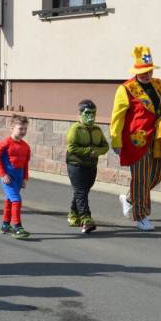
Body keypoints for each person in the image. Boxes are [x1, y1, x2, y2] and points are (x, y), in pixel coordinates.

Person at [110, 45, 161, 232]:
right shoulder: (126, 89)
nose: (147, 75)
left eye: (149, 71)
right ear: (136, 71)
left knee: (156, 175)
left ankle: (130, 198)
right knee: (141, 178)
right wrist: (116, 140)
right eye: (143, 72)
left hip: (157, 137)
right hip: (136, 140)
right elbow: (117, 117)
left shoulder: (158, 85)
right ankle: (141, 216)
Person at [65, 100, 109, 233]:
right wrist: (89, 151)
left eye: (93, 113)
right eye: (87, 113)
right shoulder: (75, 129)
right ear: (80, 114)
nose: (91, 116)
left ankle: (73, 215)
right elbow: (71, 147)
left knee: (83, 191)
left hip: (91, 166)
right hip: (76, 165)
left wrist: (97, 152)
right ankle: (86, 220)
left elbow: (105, 146)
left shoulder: (97, 130)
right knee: (81, 191)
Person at [0, 114, 31, 239]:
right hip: (8, 179)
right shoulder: (4, 144)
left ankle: (5, 225)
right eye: (20, 128)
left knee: (10, 200)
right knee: (16, 200)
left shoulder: (26, 146)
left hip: (18, 179)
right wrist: (2, 174)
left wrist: (25, 178)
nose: (23, 131)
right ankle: (17, 227)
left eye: (25, 129)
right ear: (12, 128)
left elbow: (25, 164)